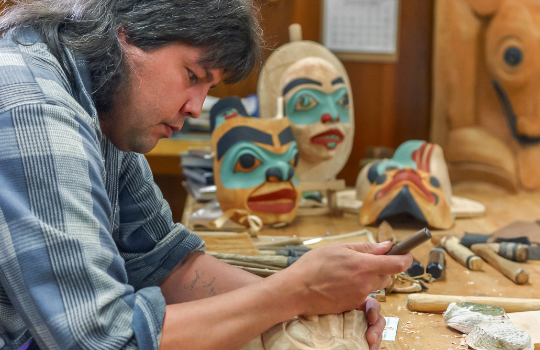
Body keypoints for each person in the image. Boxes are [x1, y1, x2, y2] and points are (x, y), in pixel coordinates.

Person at [0, 1, 413, 350]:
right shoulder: (34, 109)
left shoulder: (107, 108)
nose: (197, 107)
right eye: (192, 76)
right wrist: (294, 292)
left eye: (208, 87)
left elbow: (164, 261)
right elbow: (101, 338)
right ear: (125, 36)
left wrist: (315, 298)